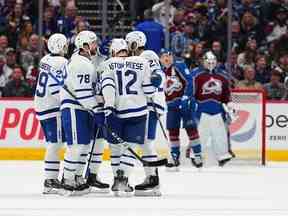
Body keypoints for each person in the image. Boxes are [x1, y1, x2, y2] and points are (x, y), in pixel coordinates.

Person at [101, 38, 155, 197]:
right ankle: (123, 179)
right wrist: (155, 83)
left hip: (116, 111)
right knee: (130, 149)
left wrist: (109, 106)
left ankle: (117, 181)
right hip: (137, 112)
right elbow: (149, 91)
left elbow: (107, 86)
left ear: (113, 51)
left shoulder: (108, 63)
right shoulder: (142, 61)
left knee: (116, 148)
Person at [59, 31, 103, 196]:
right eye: (92, 43)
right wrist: (97, 110)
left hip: (81, 108)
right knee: (76, 145)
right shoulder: (81, 64)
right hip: (75, 108)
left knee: (83, 144)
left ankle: (77, 176)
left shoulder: (84, 61)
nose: (95, 46)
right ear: (84, 45)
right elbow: (84, 94)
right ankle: (67, 179)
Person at [125, 31, 165, 196]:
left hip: (151, 104)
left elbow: (158, 75)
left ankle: (152, 180)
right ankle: (151, 178)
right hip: (146, 104)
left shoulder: (148, 54)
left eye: (129, 43)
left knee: (147, 142)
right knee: (144, 142)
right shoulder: (137, 58)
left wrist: (154, 80)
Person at [34, 33, 68, 194]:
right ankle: (50, 180)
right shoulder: (62, 62)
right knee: (56, 143)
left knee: (53, 143)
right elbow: (57, 87)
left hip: (41, 105)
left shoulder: (45, 59)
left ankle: (51, 179)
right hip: (52, 107)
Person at [160, 48, 202, 171]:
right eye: (163, 56)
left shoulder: (178, 66)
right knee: (173, 131)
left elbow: (190, 81)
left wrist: (186, 97)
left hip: (185, 104)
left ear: (172, 57)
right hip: (172, 106)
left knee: (191, 129)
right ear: (160, 59)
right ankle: (175, 157)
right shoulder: (162, 72)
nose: (166, 58)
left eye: (168, 55)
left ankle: (198, 155)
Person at [192, 51, 233, 166]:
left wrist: (229, 103)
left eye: (212, 61)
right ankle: (196, 155)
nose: (210, 64)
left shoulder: (223, 76)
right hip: (201, 109)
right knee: (201, 134)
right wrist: (192, 104)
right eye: (208, 61)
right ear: (203, 61)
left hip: (218, 110)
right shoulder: (196, 75)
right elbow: (192, 92)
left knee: (220, 134)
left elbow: (226, 94)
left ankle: (222, 155)